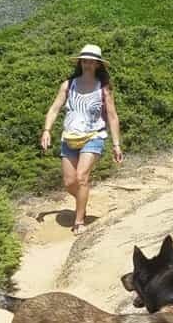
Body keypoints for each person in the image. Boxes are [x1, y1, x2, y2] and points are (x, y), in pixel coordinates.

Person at [39, 44, 124, 234]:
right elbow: (54, 109)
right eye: (84, 60)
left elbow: (112, 116)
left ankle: (79, 221)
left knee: (81, 177)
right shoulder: (69, 85)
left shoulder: (104, 88)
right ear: (80, 62)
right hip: (69, 137)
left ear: (98, 64)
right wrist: (46, 130)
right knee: (70, 182)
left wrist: (116, 145)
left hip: (94, 136)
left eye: (91, 61)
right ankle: (82, 202)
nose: (87, 64)